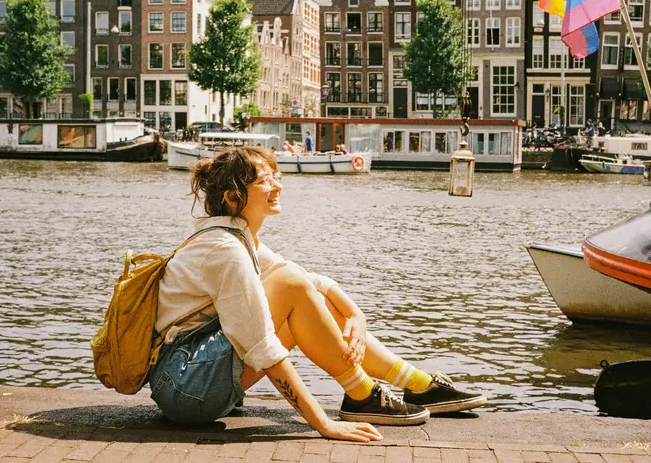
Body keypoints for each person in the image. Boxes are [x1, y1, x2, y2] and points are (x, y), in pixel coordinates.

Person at [151, 147, 485, 442]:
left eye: (275, 177)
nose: (278, 186)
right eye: (265, 181)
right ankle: (361, 394)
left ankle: (415, 384)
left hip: (194, 380)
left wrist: (357, 316)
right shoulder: (225, 250)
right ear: (234, 198)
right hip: (186, 390)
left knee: (304, 289)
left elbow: (314, 283)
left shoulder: (235, 237)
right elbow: (263, 348)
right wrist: (323, 424)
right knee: (292, 284)